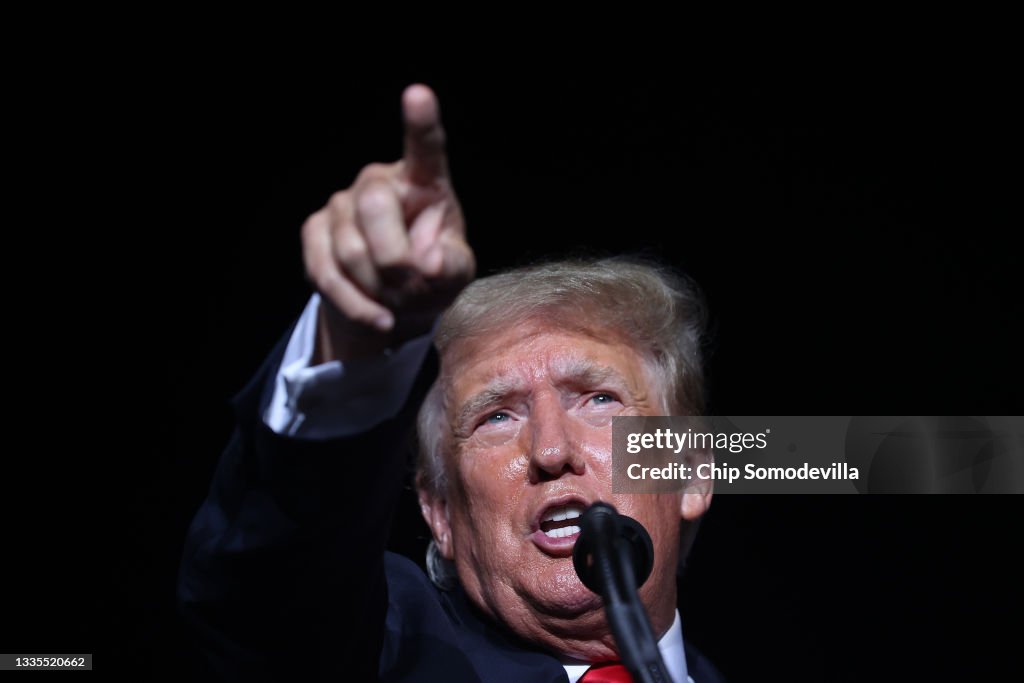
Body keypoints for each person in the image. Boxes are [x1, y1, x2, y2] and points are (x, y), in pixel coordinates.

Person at [178, 84, 722, 682]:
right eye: (497, 416)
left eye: (598, 399)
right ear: (440, 515)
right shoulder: (389, 650)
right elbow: (272, 594)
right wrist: (359, 344)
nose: (550, 450)